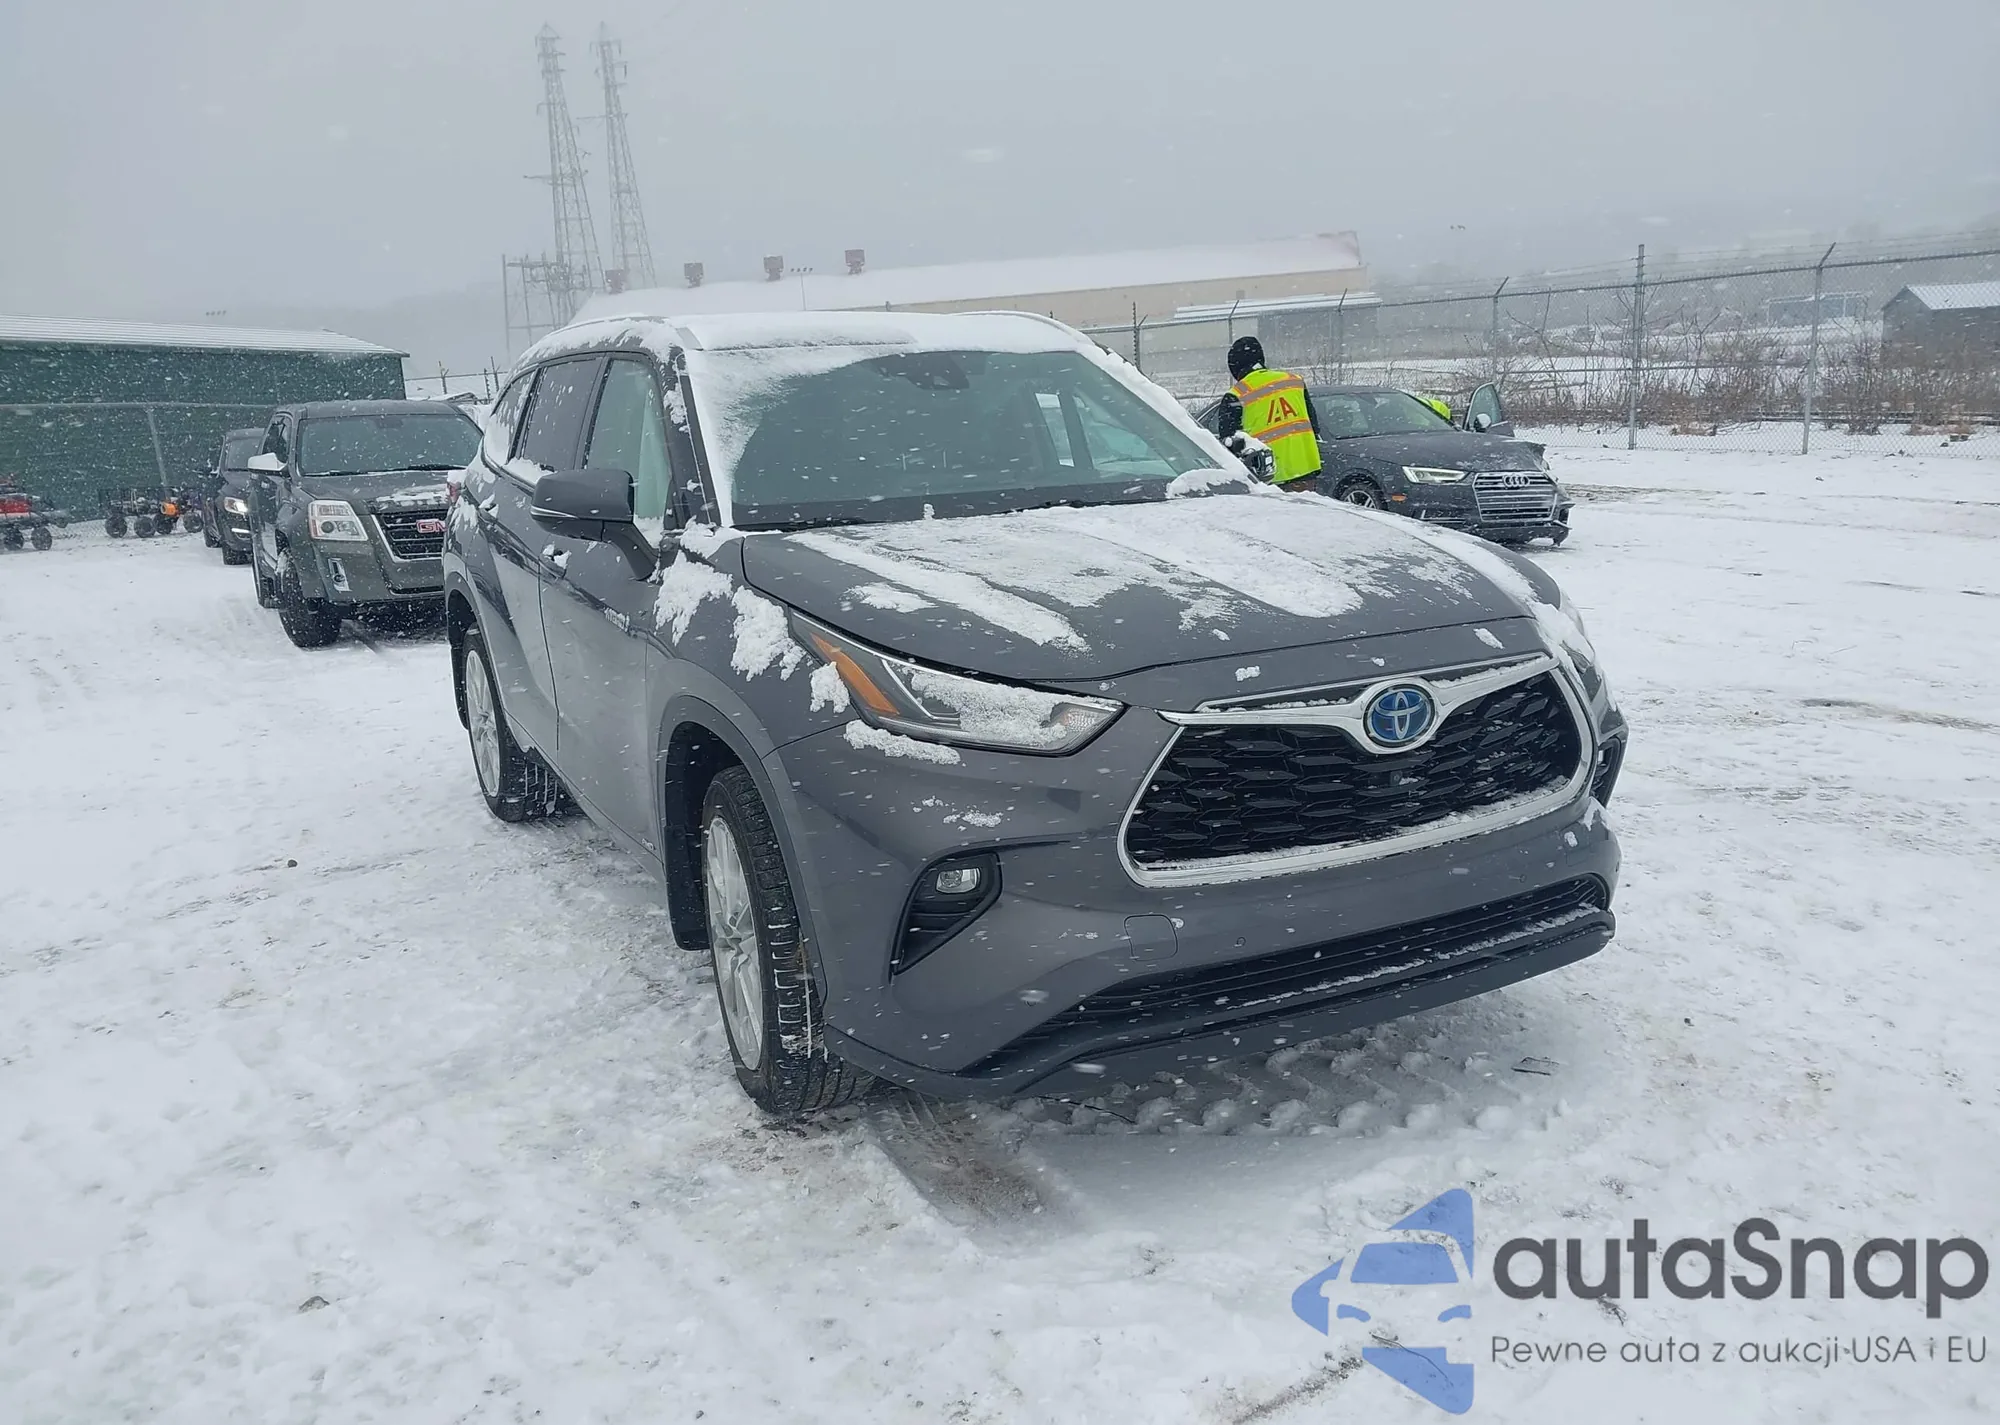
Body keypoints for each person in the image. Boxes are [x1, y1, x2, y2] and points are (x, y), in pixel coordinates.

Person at [1215, 336, 1325, 492]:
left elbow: (1227, 446)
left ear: (1234, 367)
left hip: (1266, 480)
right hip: (1305, 473)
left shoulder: (1236, 395)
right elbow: (1314, 426)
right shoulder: (1294, 382)